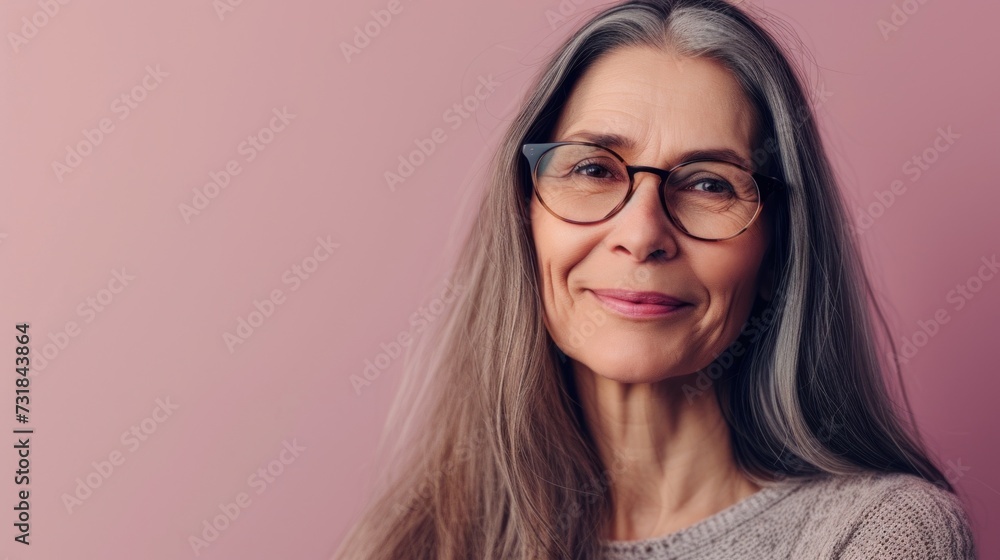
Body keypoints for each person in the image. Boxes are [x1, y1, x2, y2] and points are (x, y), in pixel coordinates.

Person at [334, 1, 977, 558]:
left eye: (707, 184)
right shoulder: (414, 541)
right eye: (593, 170)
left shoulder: (881, 534)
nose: (641, 234)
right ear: (523, 215)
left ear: (776, 245)